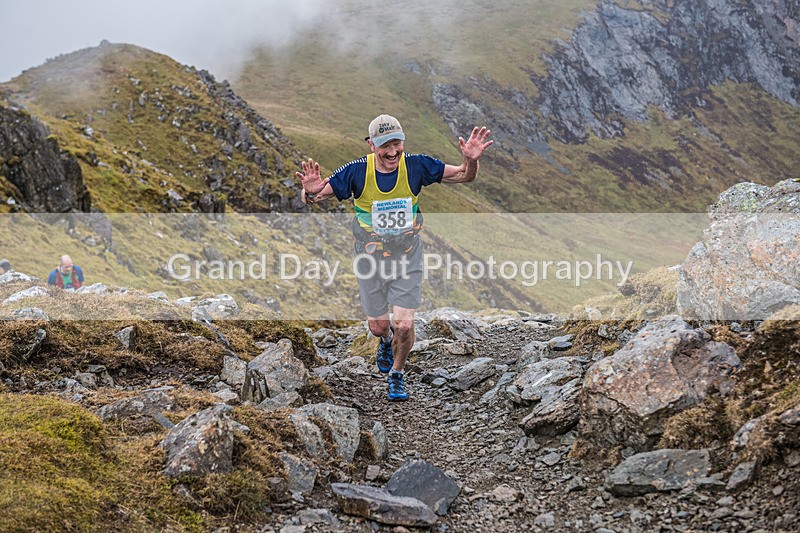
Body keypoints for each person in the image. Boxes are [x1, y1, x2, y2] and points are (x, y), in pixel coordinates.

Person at [296, 114, 492, 401]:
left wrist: (471, 160)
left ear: (403, 142)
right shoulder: (356, 172)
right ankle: (385, 341)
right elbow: (314, 196)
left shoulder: (416, 166)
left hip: (407, 254)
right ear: (371, 144)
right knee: (379, 326)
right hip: (369, 258)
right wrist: (309, 193)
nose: (392, 152)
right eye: (384, 145)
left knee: (404, 324)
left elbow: (464, 175)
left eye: (397, 144)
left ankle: (397, 374)